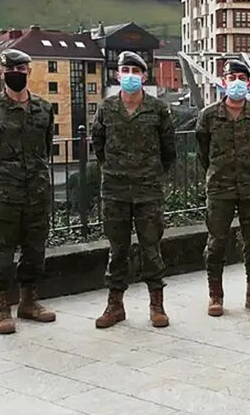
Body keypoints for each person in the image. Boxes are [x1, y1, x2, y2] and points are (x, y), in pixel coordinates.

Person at [0, 49, 56, 335]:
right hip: (4, 194)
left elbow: (46, 148)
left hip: (36, 191)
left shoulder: (44, 109)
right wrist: (2, 177)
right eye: (11, 69)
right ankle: (1, 308)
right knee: (2, 253)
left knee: (35, 249)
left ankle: (29, 302)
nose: (17, 74)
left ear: (29, 72)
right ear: (1, 72)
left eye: (22, 69)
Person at [91, 51, 176, 329]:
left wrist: (149, 173)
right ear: (117, 75)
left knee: (152, 248)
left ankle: (157, 304)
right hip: (115, 190)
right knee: (118, 249)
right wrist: (114, 169)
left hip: (148, 190)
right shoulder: (106, 108)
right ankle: (115, 305)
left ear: (144, 76)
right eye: (124, 70)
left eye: (135, 71)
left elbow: (168, 151)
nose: (129, 75)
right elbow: (98, 145)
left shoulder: (158, 109)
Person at [196, 60, 250, 317]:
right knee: (216, 243)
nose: (237, 82)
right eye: (232, 77)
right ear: (224, 81)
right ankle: (215, 297)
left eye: (242, 77)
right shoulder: (208, 116)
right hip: (220, 188)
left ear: (249, 83)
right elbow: (202, 153)